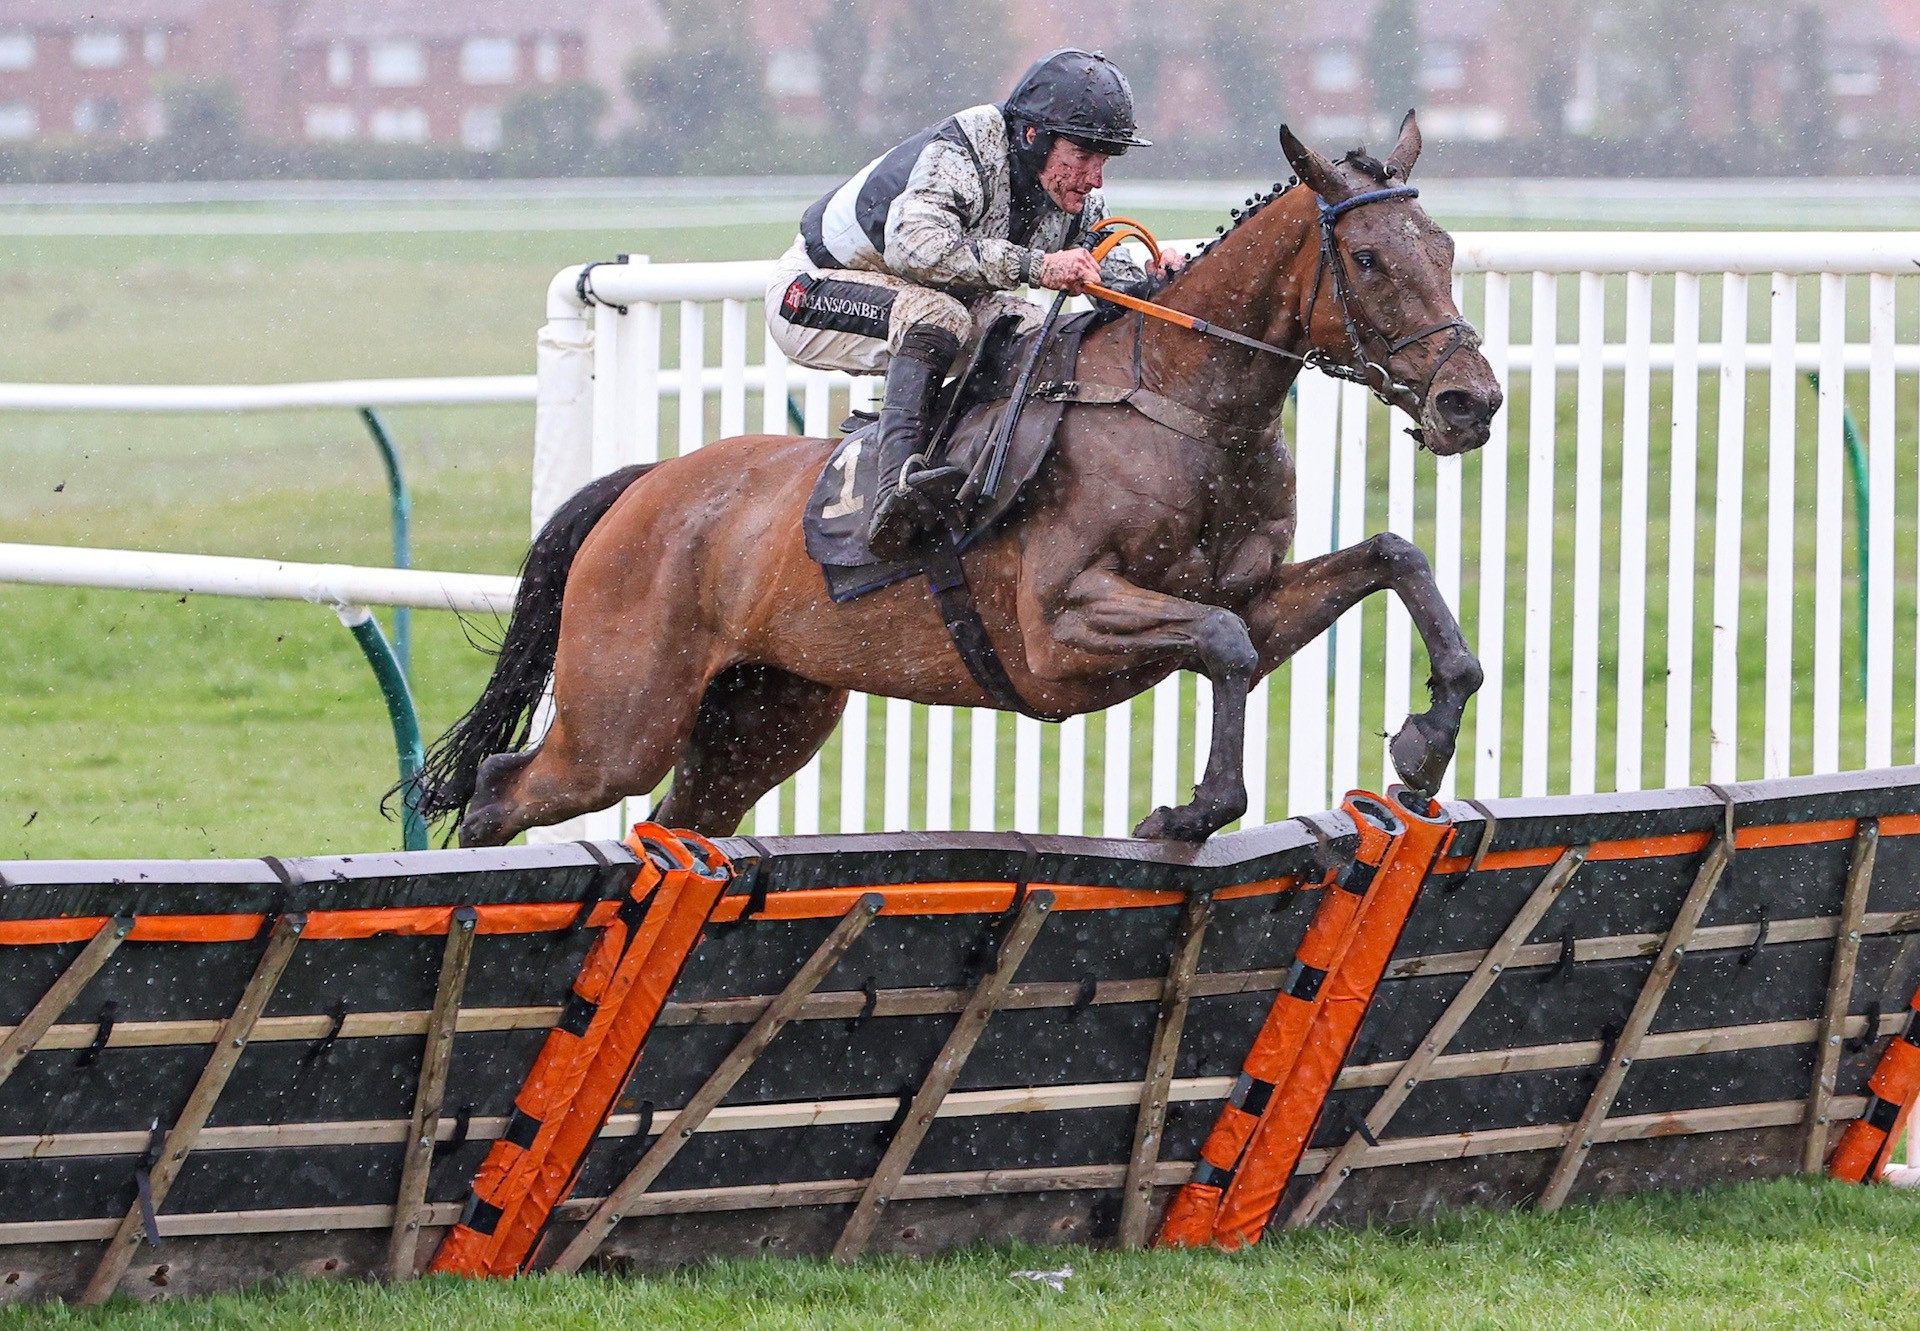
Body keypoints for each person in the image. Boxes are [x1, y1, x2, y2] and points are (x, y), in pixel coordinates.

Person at [767, 48, 1182, 558]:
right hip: (812, 292)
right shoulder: (966, 147)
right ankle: (895, 495)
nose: (1095, 178)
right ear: (1034, 136)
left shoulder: (1068, 188)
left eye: (1104, 160)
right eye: (1084, 156)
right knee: (938, 318)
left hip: (924, 293)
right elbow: (915, 245)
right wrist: (1036, 267)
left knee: (1035, 333)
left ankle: (981, 476)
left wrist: (1158, 279)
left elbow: (1107, 274)